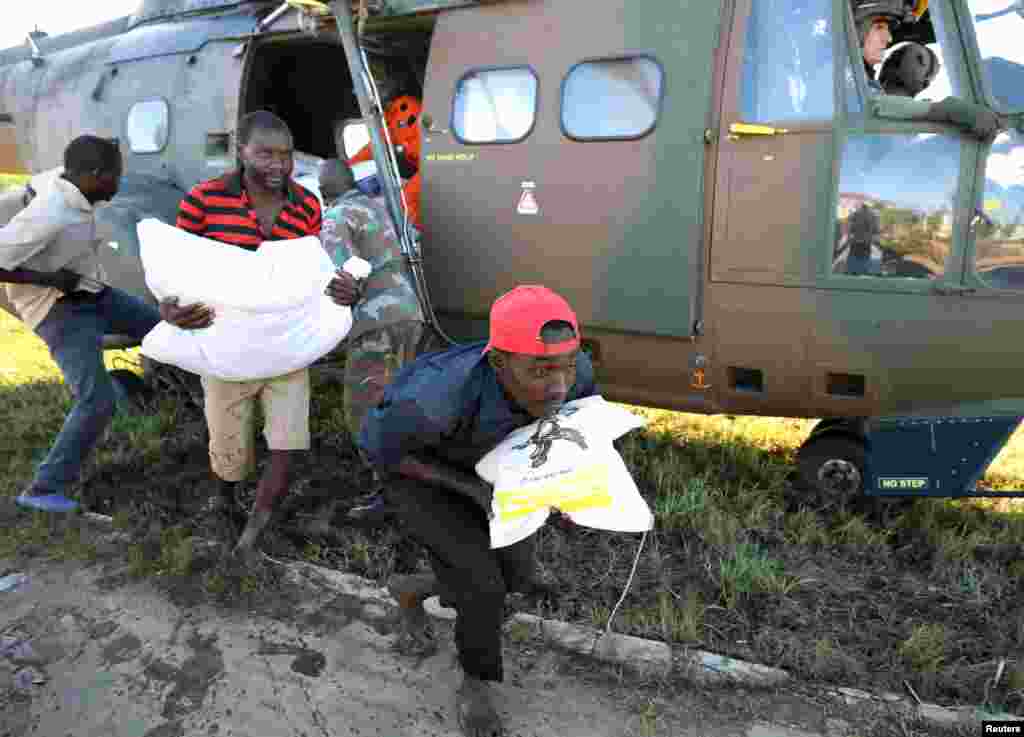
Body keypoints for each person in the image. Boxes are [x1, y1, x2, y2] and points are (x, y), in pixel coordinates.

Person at [359, 285, 596, 737]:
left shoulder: (575, 373)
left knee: (516, 577)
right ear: (498, 362)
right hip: (419, 476)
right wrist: (471, 489)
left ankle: (410, 589)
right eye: (541, 370)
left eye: (566, 365)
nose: (559, 384)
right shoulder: (433, 398)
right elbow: (385, 454)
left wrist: (567, 488)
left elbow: (571, 428)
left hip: (491, 471)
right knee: (483, 587)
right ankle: (476, 684)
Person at [170, 110, 356, 562]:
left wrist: (347, 289)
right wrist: (169, 307)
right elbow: (176, 265)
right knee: (227, 441)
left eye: (287, 155)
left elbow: (314, 271)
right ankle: (225, 502)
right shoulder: (204, 200)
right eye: (265, 154)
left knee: (287, 439)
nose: (279, 165)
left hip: (286, 344)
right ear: (241, 151)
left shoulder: (307, 206)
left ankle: (258, 525)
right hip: (226, 344)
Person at [0, 135, 207, 512]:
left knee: (168, 331)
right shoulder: (50, 213)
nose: (119, 183)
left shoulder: (73, 188)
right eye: (115, 176)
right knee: (97, 401)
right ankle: (43, 490)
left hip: (94, 293)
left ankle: (206, 410)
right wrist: (50, 280)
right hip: (59, 311)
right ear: (94, 176)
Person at [317, 156, 432, 526]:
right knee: (397, 408)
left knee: (363, 412)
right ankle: (413, 489)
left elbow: (340, 276)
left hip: (375, 324)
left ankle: (392, 498)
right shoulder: (377, 208)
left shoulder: (335, 217)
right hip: (409, 315)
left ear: (322, 192)